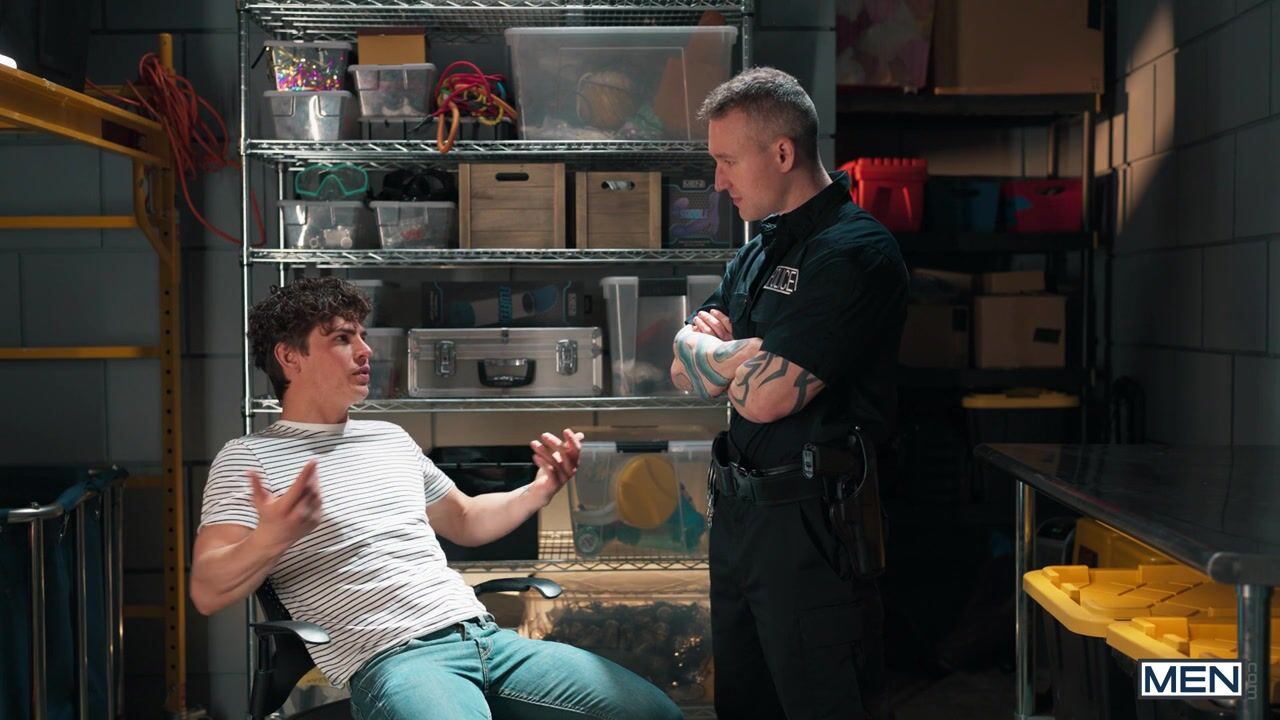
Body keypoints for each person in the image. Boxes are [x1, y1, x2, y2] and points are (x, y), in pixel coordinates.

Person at [192, 277, 683, 720]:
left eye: (362, 335)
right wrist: (270, 538)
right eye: (342, 338)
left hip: (486, 639)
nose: (366, 350)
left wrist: (540, 490)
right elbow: (207, 591)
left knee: (654, 713)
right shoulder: (250, 458)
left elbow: (466, 519)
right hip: (393, 659)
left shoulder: (389, 438)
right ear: (289, 357)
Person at [670, 67, 908, 719]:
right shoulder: (756, 253)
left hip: (813, 528)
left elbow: (765, 400)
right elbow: (682, 369)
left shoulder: (853, 253)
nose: (718, 181)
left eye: (727, 161)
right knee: (743, 705)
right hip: (739, 520)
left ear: (781, 153)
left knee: (822, 705)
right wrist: (744, 354)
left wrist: (717, 356)